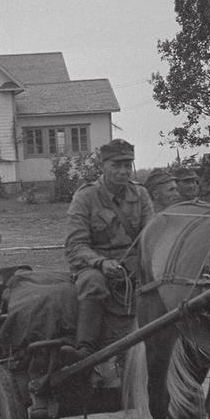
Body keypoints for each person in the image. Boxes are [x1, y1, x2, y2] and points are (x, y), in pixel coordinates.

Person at [62, 139, 154, 364]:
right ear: (103, 165)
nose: (123, 172)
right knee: (93, 284)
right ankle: (85, 347)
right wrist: (100, 263)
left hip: (133, 261)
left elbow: (150, 237)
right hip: (94, 264)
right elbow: (75, 245)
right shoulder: (85, 197)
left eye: (127, 165)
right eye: (116, 165)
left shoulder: (140, 195)